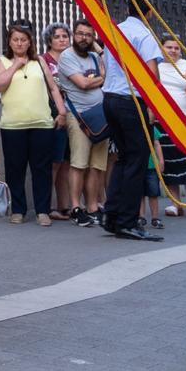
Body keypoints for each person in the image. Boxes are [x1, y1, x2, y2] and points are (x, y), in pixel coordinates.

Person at [101, 3, 164, 242]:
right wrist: (153, 107)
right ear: (149, 12)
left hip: (110, 98)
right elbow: (151, 75)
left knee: (124, 159)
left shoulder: (116, 30)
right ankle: (127, 221)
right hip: (132, 100)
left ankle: (113, 216)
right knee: (137, 160)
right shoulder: (144, 34)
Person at [0, 19, 66, 226]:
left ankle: (43, 210)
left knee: (41, 168)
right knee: (15, 168)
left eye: (23, 40)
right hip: (12, 126)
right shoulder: (3, 61)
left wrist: (61, 111)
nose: (19, 43)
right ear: (9, 42)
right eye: (15, 40)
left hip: (41, 124)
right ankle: (18, 210)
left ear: (29, 42)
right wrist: (15, 65)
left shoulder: (40, 62)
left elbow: (53, 88)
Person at [55, 19, 108, 227]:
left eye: (88, 34)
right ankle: (76, 207)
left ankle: (93, 207)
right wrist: (102, 77)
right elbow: (83, 83)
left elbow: (112, 73)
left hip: (100, 117)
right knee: (78, 164)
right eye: (79, 34)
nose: (83, 38)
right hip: (78, 117)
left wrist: (102, 53)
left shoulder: (96, 56)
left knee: (96, 166)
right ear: (73, 35)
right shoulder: (67, 56)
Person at [157, 36, 186, 220]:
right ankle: (175, 203)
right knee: (169, 161)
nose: (173, 50)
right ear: (162, 48)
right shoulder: (156, 67)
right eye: (169, 47)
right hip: (166, 118)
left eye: (176, 47)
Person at [41, 23, 75, 219]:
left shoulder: (72, 59)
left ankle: (64, 205)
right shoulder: (44, 60)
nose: (62, 39)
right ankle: (49, 205)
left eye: (65, 36)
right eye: (57, 36)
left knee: (67, 162)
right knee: (54, 161)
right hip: (54, 114)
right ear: (49, 40)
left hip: (75, 114)